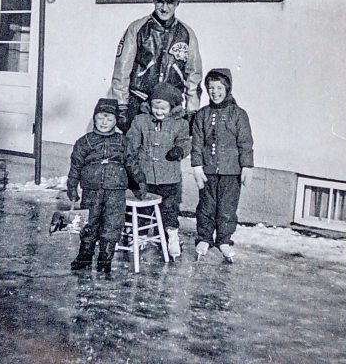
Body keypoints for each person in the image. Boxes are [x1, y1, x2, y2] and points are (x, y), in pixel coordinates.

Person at [111, 0, 203, 133]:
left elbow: (194, 74)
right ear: (154, 1)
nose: (164, 8)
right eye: (160, 2)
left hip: (170, 105)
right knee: (135, 149)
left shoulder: (186, 33)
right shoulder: (137, 28)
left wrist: (192, 109)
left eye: (170, 3)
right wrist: (121, 105)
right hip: (139, 101)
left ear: (177, 4)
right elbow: (122, 69)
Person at [67, 98, 144, 273]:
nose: (104, 122)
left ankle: (105, 258)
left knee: (112, 223)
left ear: (116, 121)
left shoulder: (123, 141)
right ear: (94, 118)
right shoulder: (84, 142)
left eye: (109, 119)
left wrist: (140, 183)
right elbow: (76, 165)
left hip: (115, 190)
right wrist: (72, 186)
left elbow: (132, 163)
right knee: (89, 222)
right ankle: (85, 255)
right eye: (101, 117)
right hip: (91, 189)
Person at [191, 69, 254, 263]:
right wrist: (197, 166)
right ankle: (204, 238)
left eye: (219, 88)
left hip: (231, 171)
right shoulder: (202, 115)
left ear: (227, 88)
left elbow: (245, 143)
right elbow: (197, 143)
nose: (215, 92)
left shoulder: (239, 114)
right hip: (209, 170)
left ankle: (224, 240)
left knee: (227, 208)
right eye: (211, 88)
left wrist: (247, 167)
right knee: (206, 206)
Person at [126, 82, 191, 260]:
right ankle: (139, 236)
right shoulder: (140, 121)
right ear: (150, 105)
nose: (159, 111)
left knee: (169, 210)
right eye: (156, 107)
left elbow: (185, 142)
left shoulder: (180, 124)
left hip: (169, 177)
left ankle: (171, 237)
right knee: (143, 210)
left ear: (172, 107)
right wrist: (132, 159)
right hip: (144, 176)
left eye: (163, 108)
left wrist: (180, 150)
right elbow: (131, 143)